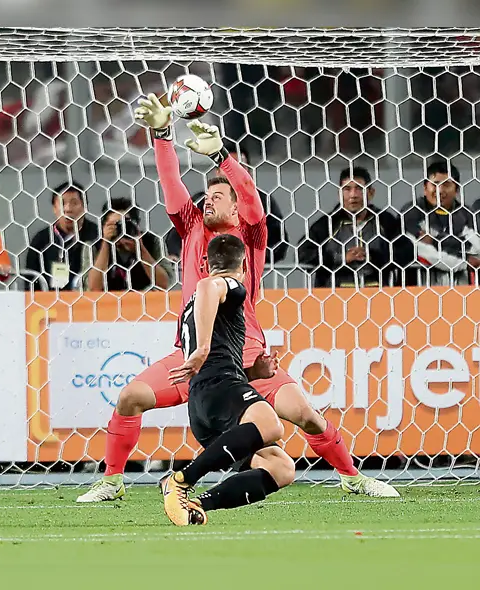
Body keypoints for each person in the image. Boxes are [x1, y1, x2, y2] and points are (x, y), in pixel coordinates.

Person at [77, 94, 398, 503]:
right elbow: (171, 187)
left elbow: (252, 199)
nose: (206, 199)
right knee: (129, 398)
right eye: (206, 196)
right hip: (195, 356)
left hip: (247, 354)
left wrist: (223, 157)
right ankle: (112, 481)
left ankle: (352, 477)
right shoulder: (192, 229)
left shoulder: (251, 237)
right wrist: (161, 135)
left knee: (306, 416)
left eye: (216, 195)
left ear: (234, 204)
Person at [161, 235, 295, 526]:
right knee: (271, 425)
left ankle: (195, 504)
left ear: (205, 262)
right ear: (245, 263)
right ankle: (181, 480)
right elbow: (209, 284)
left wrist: (254, 374)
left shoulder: (192, 309)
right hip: (221, 388)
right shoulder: (228, 285)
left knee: (281, 467)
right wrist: (202, 350)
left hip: (205, 403)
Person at [298, 167, 413, 288]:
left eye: (359, 188)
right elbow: (303, 253)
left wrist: (372, 257)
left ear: (371, 192)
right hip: (334, 299)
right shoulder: (327, 223)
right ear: (339, 193)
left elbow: (407, 252)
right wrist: (340, 258)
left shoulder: (385, 220)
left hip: (378, 297)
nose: (353, 195)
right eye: (347, 189)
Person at [402, 160, 480, 286]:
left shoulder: (467, 215)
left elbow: (477, 250)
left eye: (446, 184)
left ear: (457, 189)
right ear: (425, 188)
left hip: (462, 287)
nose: (440, 190)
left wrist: (434, 240)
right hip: (422, 287)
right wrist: (464, 260)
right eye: (435, 184)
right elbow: (422, 250)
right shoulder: (412, 213)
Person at [24, 182, 99, 291]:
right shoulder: (42, 239)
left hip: (87, 301)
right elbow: (30, 279)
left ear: (84, 207)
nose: (68, 209)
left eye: (74, 203)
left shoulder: (97, 235)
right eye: (62, 203)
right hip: (50, 302)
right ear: (54, 208)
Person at [87, 197, 170, 291]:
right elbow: (93, 288)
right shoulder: (92, 247)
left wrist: (141, 250)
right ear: (104, 227)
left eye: (125, 224)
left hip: (145, 302)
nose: (120, 229)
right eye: (114, 225)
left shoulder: (152, 241)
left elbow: (164, 284)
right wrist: (105, 242)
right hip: (108, 303)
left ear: (137, 225)